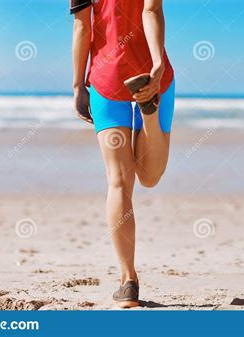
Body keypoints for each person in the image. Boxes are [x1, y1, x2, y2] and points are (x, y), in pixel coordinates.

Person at [71, 0, 175, 308]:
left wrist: (78, 85)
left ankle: (128, 281)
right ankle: (150, 115)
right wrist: (156, 66)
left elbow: (82, 26)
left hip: (107, 78)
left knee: (119, 183)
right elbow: (151, 11)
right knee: (151, 176)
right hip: (152, 75)